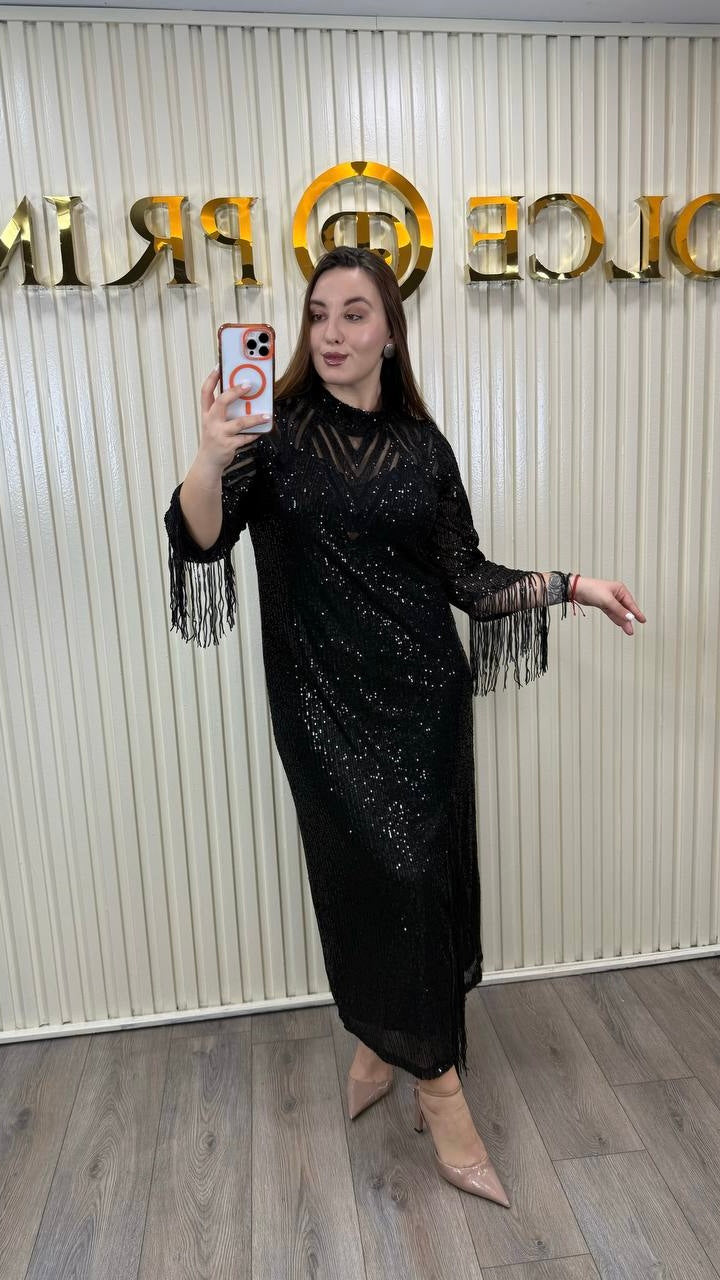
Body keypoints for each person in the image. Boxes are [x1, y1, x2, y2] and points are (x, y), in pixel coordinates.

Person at [163, 245, 646, 1207]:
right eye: (318, 315)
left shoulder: (423, 448)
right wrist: (211, 456)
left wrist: (573, 586)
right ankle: (432, 1081)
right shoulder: (271, 435)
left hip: (425, 701)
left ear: (390, 330)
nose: (332, 333)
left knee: (419, 885)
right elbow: (200, 540)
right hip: (321, 711)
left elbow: (466, 577)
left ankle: (396, 1056)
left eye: (354, 314)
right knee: (368, 882)